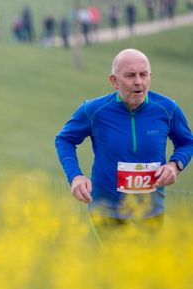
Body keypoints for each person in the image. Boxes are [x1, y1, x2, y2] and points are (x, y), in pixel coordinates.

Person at [55, 48, 193, 233]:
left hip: (151, 213)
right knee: (116, 262)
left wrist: (175, 165)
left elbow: (187, 142)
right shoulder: (94, 110)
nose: (138, 82)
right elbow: (64, 139)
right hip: (107, 213)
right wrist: (75, 177)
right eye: (130, 75)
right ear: (114, 81)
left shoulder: (167, 109)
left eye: (143, 75)